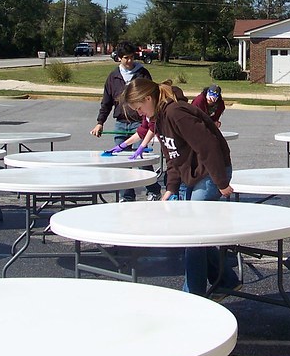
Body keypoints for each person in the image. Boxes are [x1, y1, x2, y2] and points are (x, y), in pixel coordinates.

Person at [121, 77, 239, 297]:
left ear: (148, 99)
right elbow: (172, 157)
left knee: (193, 234)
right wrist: (171, 188)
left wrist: (221, 182)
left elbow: (209, 145)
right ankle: (226, 280)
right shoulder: (159, 119)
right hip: (196, 175)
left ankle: (192, 295)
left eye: (138, 108)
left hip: (212, 172)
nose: (139, 113)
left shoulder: (176, 113)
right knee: (197, 233)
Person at [91, 41, 161, 201]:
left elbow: (152, 97)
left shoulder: (142, 73)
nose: (129, 61)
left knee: (141, 159)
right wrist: (100, 122)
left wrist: (149, 119)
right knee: (123, 162)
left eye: (131, 57)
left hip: (140, 123)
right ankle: (127, 196)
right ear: (119, 58)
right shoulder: (113, 76)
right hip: (121, 124)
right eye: (125, 58)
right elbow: (106, 102)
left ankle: (153, 190)